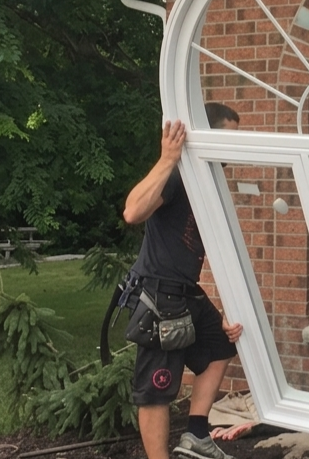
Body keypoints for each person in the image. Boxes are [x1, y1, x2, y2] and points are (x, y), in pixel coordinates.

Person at [123, 102, 243, 459]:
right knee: (156, 391)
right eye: (228, 138)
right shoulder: (178, 175)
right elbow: (132, 211)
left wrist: (219, 311)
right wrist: (167, 159)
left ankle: (195, 436)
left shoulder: (208, 187)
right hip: (158, 296)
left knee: (221, 345)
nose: (232, 150)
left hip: (186, 293)